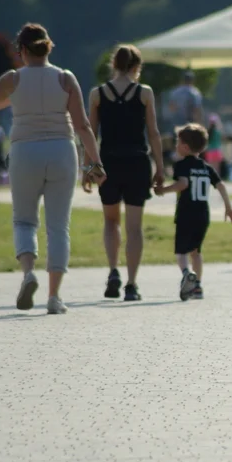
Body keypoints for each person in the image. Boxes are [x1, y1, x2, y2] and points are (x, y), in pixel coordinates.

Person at [0, 22, 106, 315]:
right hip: (62, 150)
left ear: (22, 50)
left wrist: (12, 97)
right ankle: (54, 297)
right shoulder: (65, 78)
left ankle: (28, 274)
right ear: (48, 47)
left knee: (24, 221)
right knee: (58, 226)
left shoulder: (13, 78)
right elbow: (83, 125)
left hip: (25, 150)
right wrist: (95, 163)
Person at [88, 44, 166, 302]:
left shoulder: (97, 94)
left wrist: (88, 168)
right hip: (137, 162)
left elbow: (91, 135)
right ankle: (132, 284)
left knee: (111, 221)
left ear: (114, 64)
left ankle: (113, 271)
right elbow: (153, 132)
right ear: (136, 67)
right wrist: (161, 167)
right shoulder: (144, 93)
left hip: (109, 163)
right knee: (134, 227)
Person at [156, 123, 232, 300]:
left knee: (181, 251)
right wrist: (228, 208)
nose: (176, 146)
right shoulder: (206, 167)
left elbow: (183, 184)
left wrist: (163, 190)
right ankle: (198, 287)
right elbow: (221, 185)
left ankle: (187, 273)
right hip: (203, 215)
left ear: (185, 147)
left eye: (178, 143)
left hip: (186, 213)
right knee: (196, 251)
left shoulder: (181, 165)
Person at [204, 113, 227, 177]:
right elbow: (223, 138)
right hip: (217, 151)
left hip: (209, 151)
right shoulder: (218, 131)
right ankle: (217, 178)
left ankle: (210, 177)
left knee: (210, 166)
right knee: (217, 167)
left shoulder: (207, 131)